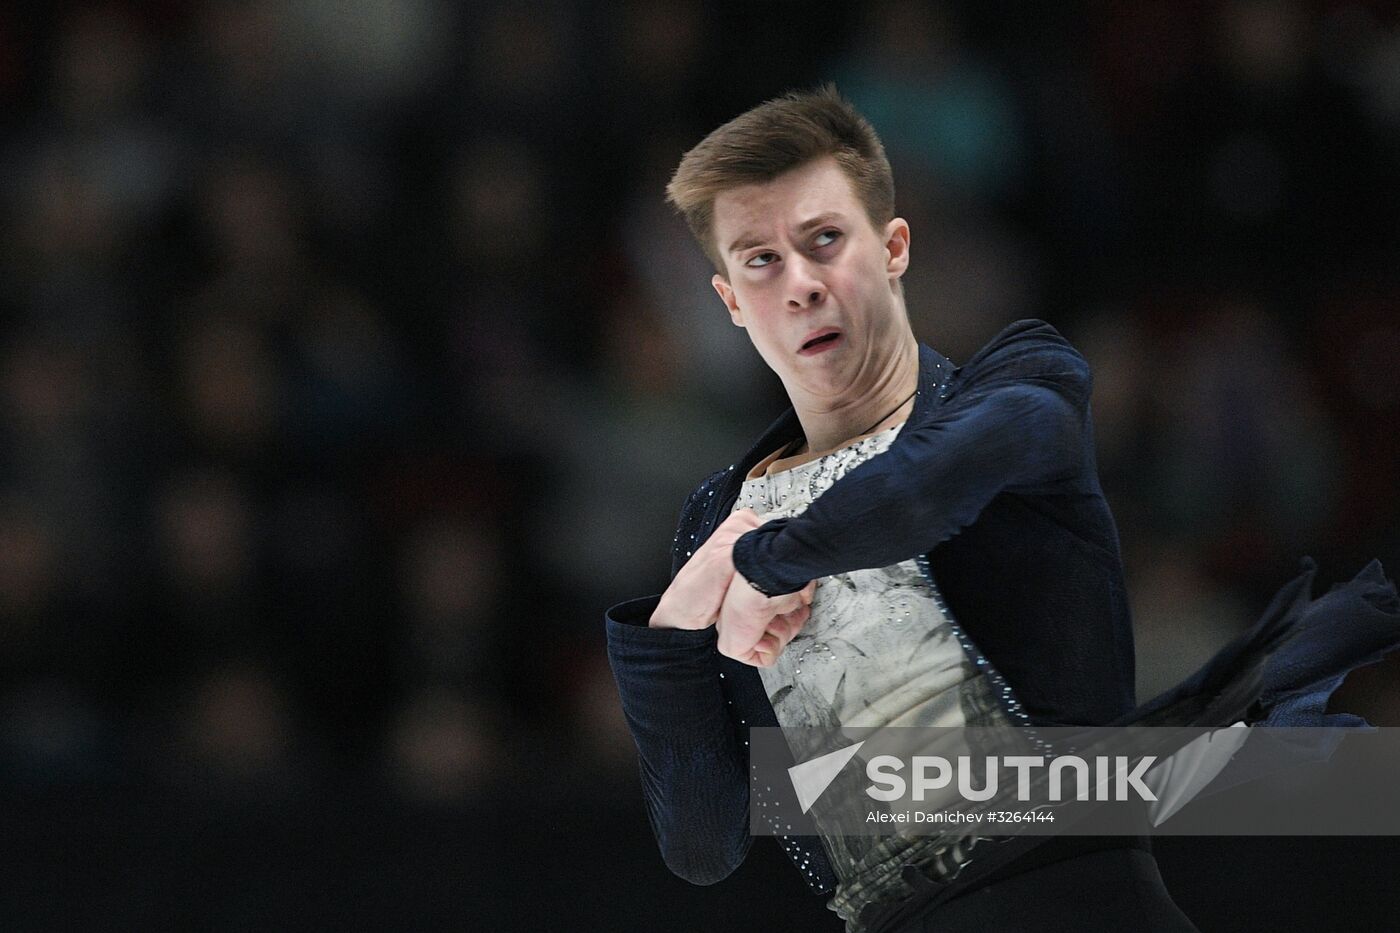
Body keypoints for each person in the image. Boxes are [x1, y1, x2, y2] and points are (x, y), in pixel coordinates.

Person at [604, 86, 1399, 933]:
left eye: (824, 239)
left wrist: (767, 563)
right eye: (760, 260)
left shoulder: (1021, 380)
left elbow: (919, 490)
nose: (799, 284)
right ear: (728, 300)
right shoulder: (717, 522)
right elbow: (707, 843)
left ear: (894, 245)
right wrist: (671, 627)